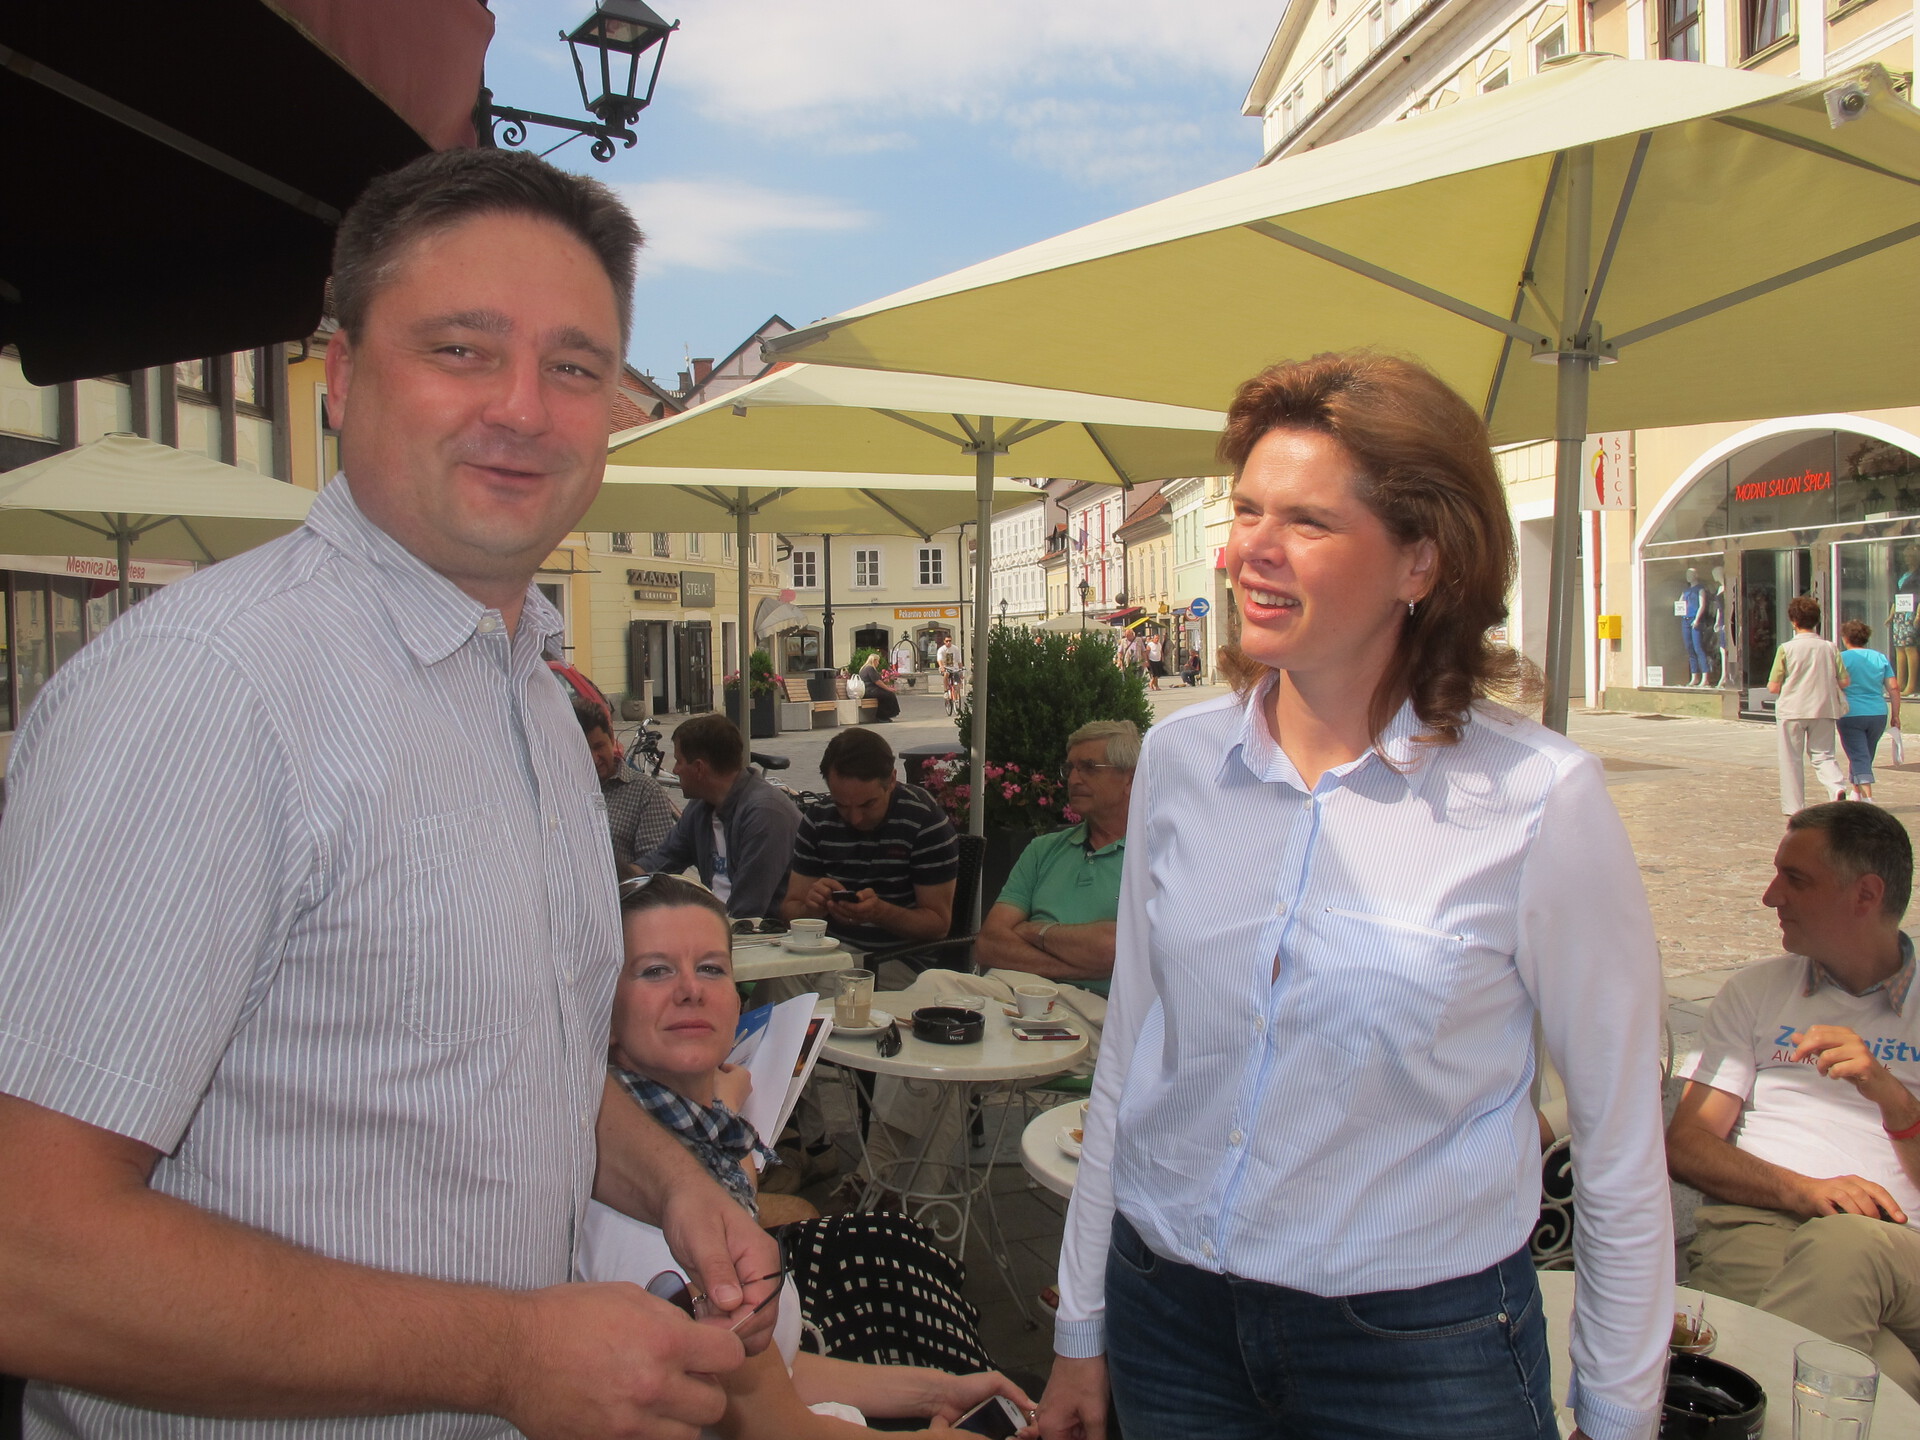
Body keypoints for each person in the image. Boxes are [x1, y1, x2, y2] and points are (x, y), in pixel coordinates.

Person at [0, 149, 777, 1439]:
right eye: (462, 350)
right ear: (345, 378)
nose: (523, 408)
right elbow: (29, 1252)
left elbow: (505, 1060)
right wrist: (506, 1358)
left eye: (574, 368)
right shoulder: (211, 689)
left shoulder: (530, 693)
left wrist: (674, 1182)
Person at [1037, 352, 1670, 1440]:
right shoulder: (1182, 762)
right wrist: (1081, 1327)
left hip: (1419, 1351)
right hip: (1170, 1318)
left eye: (1308, 522)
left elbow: (1618, 1144)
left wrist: (1617, 1417)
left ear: (1421, 560)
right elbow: (1134, 1054)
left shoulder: (1537, 799)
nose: (1250, 549)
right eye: (1246, 510)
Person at [582, 873, 1037, 1439]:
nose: (690, 989)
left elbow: (778, 1372)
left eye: (711, 968)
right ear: (604, 1017)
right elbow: (773, 1424)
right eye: (655, 970)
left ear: (737, 999)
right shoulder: (656, 1215)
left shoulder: (700, 1148)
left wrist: (939, 1390)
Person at [1667, 802, 1920, 1399]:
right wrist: (1801, 1190)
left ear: (1866, 894)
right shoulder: (1755, 992)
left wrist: (1893, 1099)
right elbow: (1687, 1144)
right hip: (1760, 1228)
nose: (1769, 896)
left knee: (1845, 1241)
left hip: (1902, 1247)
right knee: (1891, 1380)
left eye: (1796, 879)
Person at [864, 720, 1135, 1195]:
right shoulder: (1046, 849)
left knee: (952, 1036)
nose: (1073, 777)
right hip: (1012, 996)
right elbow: (989, 944)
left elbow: (1114, 949)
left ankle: (891, 1194)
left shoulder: (1151, 857)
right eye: (1070, 767)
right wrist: (1079, 952)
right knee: (935, 1001)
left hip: (1097, 1020)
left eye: (1089, 767)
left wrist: (1035, 932)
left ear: (1131, 778)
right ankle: (899, 1192)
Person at [778, 727, 958, 951]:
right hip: (827, 952)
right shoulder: (818, 818)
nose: (855, 818)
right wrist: (812, 909)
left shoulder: (924, 821)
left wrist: (881, 913)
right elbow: (789, 911)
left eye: (868, 804)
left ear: (892, 780)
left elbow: (938, 925)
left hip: (898, 958)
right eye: (841, 805)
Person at [635, 713, 799, 922]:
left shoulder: (765, 814)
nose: (675, 770)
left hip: (761, 933)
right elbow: (663, 860)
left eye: (678, 761)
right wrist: (623, 878)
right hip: (721, 923)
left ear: (699, 768)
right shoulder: (701, 808)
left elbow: (748, 907)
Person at [1769, 594, 1851, 815]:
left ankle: (1794, 806)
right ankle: (1836, 787)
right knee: (1823, 754)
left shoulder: (1786, 649)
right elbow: (1844, 681)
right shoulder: (1830, 647)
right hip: (1824, 708)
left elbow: (1774, 687)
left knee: (1791, 759)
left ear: (1794, 621)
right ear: (1816, 621)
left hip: (1792, 709)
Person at [578, 696, 679, 866]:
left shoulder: (645, 792)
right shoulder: (562, 792)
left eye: (599, 746)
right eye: (584, 750)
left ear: (611, 737)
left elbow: (657, 869)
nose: (594, 759)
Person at [1838, 620, 1901, 801]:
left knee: (1858, 755)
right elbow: (1894, 687)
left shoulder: (1841, 658)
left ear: (1845, 638)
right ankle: (1856, 793)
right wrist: (1896, 715)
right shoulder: (1879, 658)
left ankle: (1867, 799)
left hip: (1850, 713)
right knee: (1865, 754)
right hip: (1877, 713)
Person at [859, 652, 900, 723]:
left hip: (868, 690)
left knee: (888, 694)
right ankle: (882, 716)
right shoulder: (870, 668)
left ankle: (885, 716)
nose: (878, 663)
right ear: (874, 660)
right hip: (870, 690)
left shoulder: (863, 668)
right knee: (887, 695)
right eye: (877, 661)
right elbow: (877, 681)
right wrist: (888, 689)